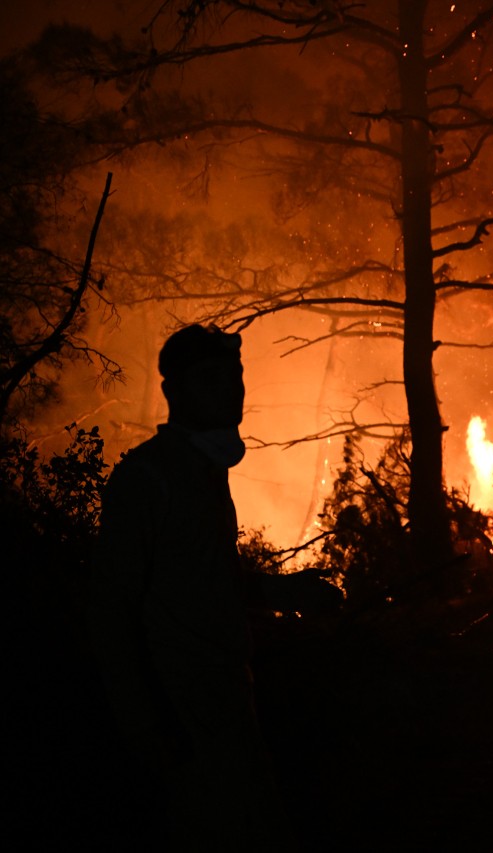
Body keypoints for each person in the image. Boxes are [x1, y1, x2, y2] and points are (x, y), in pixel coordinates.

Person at [87, 324, 339, 850]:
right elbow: (112, 612)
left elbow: (200, 580)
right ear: (174, 392)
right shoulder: (148, 479)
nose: (231, 390)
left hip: (223, 711)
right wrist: (147, 732)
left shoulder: (203, 470)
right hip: (183, 720)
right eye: (211, 379)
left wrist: (280, 593)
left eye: (235, 376)